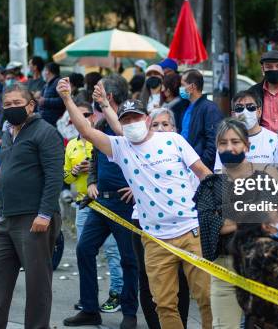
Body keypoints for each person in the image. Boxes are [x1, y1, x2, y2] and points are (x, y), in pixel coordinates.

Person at [58, 77, 214, 329]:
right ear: (120, 124)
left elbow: (204, 173)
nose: (132, 124)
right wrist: (66, 98)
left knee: (207, 298)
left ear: (148, 120)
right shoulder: (121, 148)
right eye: (126, 120)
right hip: (154, 240)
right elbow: (86, 131)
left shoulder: (173, 140)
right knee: (163, 304)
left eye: (136, 118)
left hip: (190, 232)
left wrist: (215, 214)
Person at [0, 83, 63, 328]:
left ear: (31, 105)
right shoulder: (7, 133)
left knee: (37, 284)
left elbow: (54, 176)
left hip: (35, 218)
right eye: (7, 104)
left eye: (17, 103)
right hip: (6, 217)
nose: (11, 108)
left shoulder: (45, 132)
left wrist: (45, 214)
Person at [62, 76, 138, 329]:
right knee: (84, 249)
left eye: (100, 90)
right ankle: (89, 309)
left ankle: (129, 312)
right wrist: (93, 180)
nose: (94, 92)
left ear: (111, 97)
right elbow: (94, 151)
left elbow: (138, 153)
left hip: (125, 205)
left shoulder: (131, 121)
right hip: (100, 203)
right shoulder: (102, 124)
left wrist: (137, 187)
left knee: (129, 258)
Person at [196, 119, 274, 328]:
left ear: (246, 146)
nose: (229, 148)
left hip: (261, 266)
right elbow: (210, 227)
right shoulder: (210, 186)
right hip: (224, 270)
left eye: (235, 142)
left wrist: (229, 218)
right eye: (223, 143)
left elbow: (272, 219)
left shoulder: (264, 180)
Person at [64, 99, 124, 315]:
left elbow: (110, 165)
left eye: (88, 114)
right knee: (84, 251)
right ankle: (87, 299)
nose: (85, 118)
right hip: (83, 204)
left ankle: (117, 294)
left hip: (105, 204)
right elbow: (66, 177)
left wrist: (93, 175)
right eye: (78, 115)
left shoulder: (100, 137)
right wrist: (77, 173)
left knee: (112, 251)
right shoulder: (71, 145)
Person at [135, 107, 191, 329]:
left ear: (175, 129)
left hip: (183, 229)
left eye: (165, 124)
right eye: (155, 125)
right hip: (145, 226)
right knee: (150, 284)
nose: (160, 129)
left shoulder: (183, 151)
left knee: (182, 284)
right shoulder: (136, 151)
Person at [213, 91, 278, 173]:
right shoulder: (225, 140)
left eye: (250, 107)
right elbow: (219, 173)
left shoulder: (275, 140)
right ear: (233, 114)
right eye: (239, 108)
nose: (245, 112)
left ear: (259, 112)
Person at [180, 69, 224, 170]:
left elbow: (214, 142)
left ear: (192, 86)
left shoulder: (210, 109)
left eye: (183, 85)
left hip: (200, 168)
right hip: (187, 165)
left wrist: (201, 166)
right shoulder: (187, 107)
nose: (181, 89)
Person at [38, 62, 65, 126]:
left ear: (48, 71)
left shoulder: (59, 82)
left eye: (44, 70)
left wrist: (45, 101)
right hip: (45, 120)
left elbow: (63, 100)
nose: (43, 73)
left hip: (54, 122)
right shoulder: (46, 84)